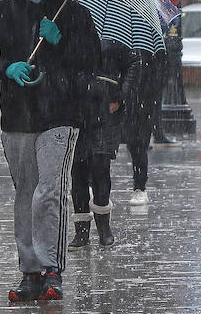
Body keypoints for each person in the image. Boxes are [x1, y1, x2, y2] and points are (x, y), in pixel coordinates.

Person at [0, 0, 101, 304]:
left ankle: (51, 269)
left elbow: (91, 62)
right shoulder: (4, 13)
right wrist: (7, 68)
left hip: (60, 116)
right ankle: (28, 270)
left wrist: (62, 43)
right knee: (25, 194)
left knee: (50, 189)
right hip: (17, 116)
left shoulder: (74, 15)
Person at [69, 38, 135, 247]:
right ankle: (81, 231)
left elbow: (133, 64)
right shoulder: (70, 37)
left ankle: (103, 226)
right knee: (78, 170)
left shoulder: (114, 39)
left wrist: (120, 95)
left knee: (100, 166)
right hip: (76, 112)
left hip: (106, 112)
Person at [124, 48, 167, 204]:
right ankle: (97, 189)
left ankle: (140, 187)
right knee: (105, 147)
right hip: (116, 96)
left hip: (142, 99)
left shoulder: (150, 43)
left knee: (138, 144)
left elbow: (161, 68)